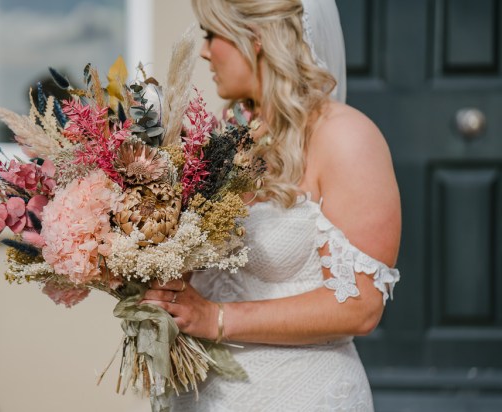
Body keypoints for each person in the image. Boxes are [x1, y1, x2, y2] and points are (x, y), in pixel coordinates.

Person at [141, 0, 401, 410]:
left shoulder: (345, 137)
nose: (205, 51)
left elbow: (360, 306)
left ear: (256, 38)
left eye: (212, 35)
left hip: (302, 394)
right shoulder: (227, 142)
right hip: (203, 394)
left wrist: (217, 319)